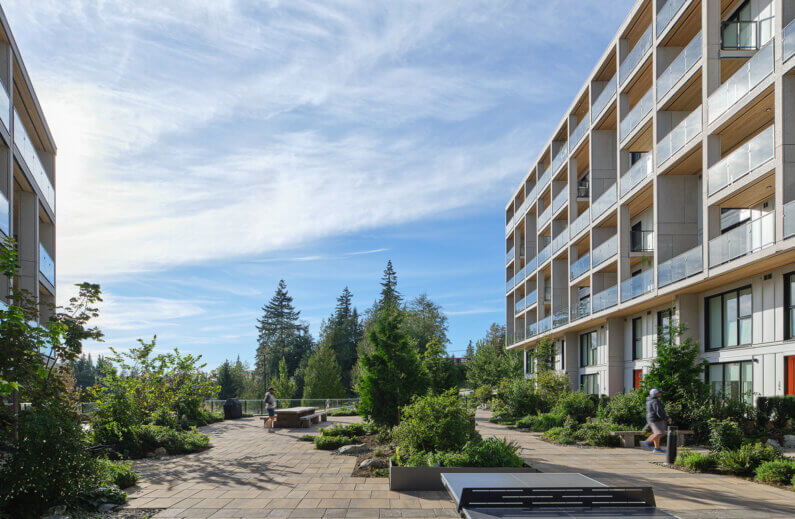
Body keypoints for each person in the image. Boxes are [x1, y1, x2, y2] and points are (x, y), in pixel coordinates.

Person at [641, 388, 670, 453]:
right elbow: (659, 412)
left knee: (656, 433)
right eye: (659, 392)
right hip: (656, 419)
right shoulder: (655, 401)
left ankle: (657, 448)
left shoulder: (649, 400)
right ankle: (646, 442)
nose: (660, 393)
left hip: (651, 419)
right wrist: (666, 418)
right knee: (659, 433)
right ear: (655, 394)